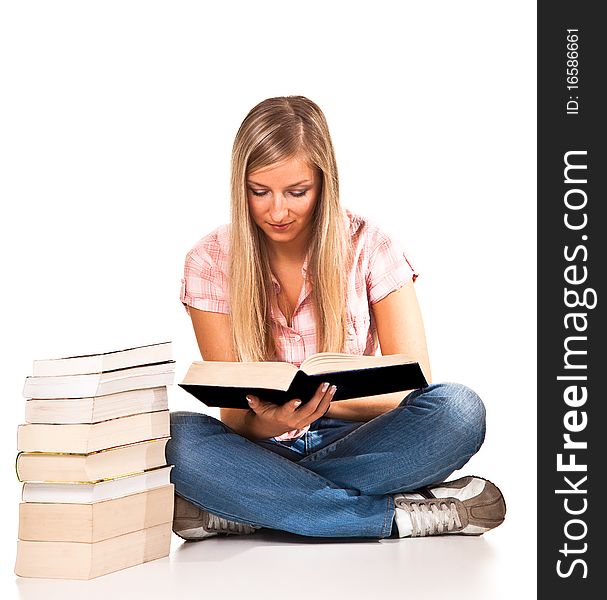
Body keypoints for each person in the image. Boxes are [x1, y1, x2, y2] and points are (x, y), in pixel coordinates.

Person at [168, 96, 506, 540]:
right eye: (259, 191)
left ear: (324, 184)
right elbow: (234, 418)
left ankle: (251, 505)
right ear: (240, 186)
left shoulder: (371, 245)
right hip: (260, 446)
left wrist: (318, 403)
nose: (277, 211)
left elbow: (413, 385)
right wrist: (275, 421)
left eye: (297, 192)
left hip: (361, 442)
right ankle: (395, 517)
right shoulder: (209, 261)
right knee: (176, 439)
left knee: (458, 410)